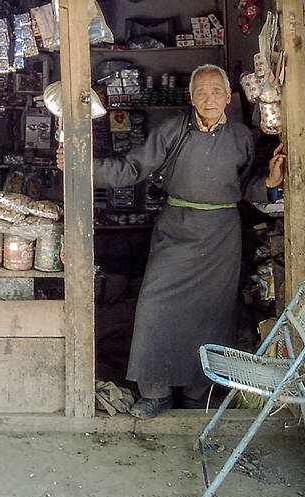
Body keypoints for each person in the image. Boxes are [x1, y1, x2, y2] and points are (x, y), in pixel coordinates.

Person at [57, 64, 286, 418]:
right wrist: (81, 165)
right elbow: (132, 168)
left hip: (222, 236)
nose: (208, 99)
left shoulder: (242, 136)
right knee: (155, 306)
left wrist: (270, 181)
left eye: (215, 92)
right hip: (177, 230)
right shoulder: (172, 131)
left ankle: (200, 394)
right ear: (191, 97)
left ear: (228, 97)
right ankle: (156, 392)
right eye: (201, 92)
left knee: (212, 315)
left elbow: (245, 187)